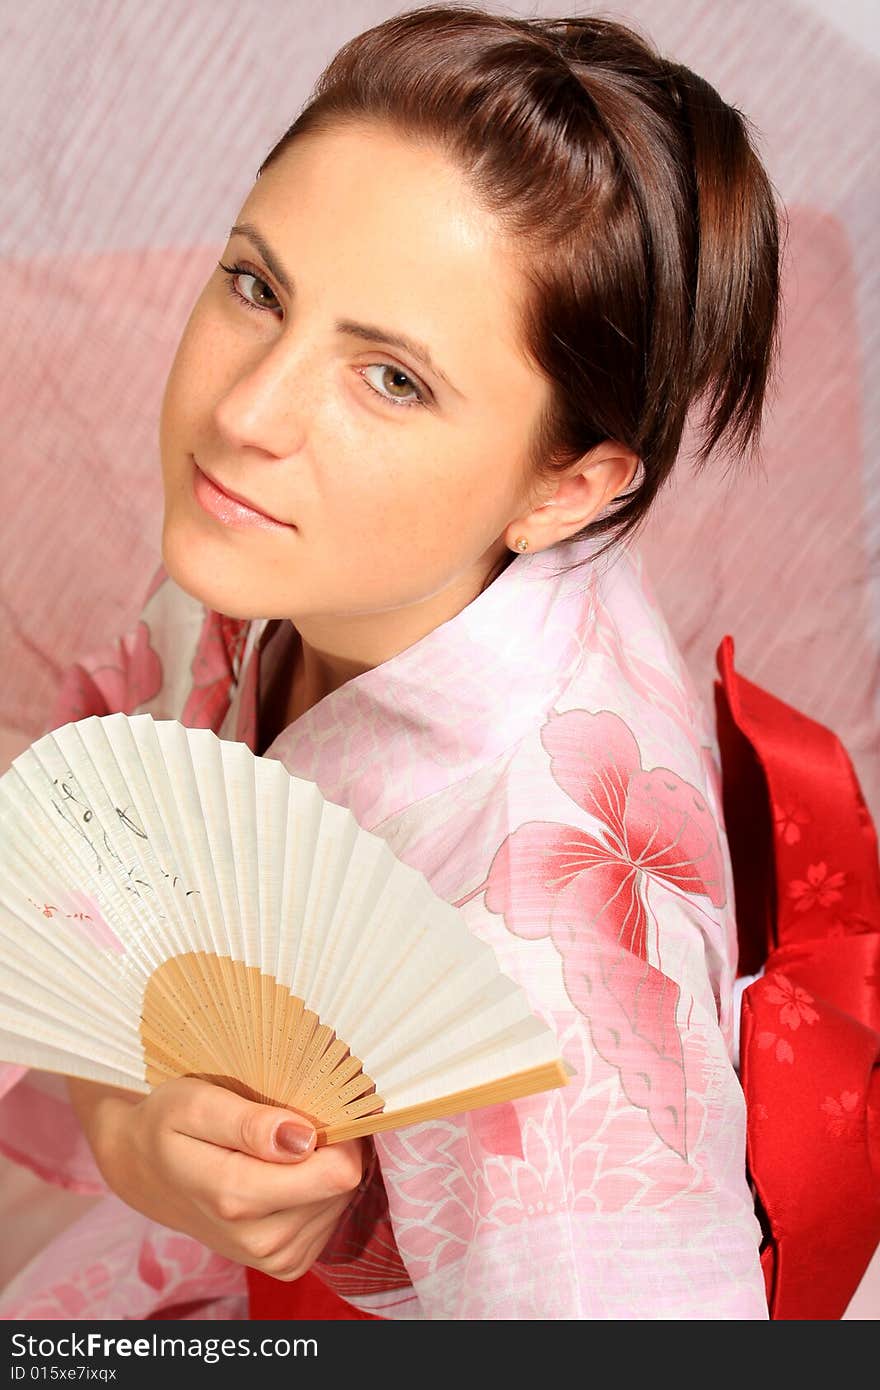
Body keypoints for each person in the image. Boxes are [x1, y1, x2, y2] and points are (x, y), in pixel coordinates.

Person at [0, 5, 784, 1319]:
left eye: (394, 381)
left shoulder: (542, 973)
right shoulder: (306, 540)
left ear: (572, 486)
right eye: (257, 286)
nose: (245, 415)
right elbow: (105, 844)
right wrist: (135, 1122)